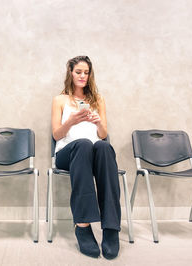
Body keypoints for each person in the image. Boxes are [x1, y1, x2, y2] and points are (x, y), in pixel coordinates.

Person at [51, 56, 121, 259]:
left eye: (86, 72)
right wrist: (71, 121)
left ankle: (111, 228)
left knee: (104, 147)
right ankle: (82, 226)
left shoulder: (98, 99)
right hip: (68, 153)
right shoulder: (60, 100)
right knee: (83, 144)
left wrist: (99, 123)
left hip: (93, 153)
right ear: (70, 73)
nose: (82, 76)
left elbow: (103, 134)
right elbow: (56, 135)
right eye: (78, 72)